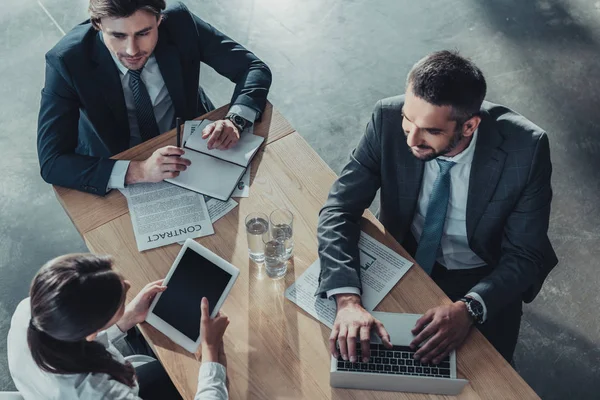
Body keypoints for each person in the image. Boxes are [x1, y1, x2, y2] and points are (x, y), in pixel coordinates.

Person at [317, 50, 557, 366]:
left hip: (481, 274)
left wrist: (470, 307)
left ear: (469, 126)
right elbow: (339, 209)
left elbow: (525, 255)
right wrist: (347, 301)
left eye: (431, 130)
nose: (411, 139)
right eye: (409, 119)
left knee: (486, 379)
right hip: (404, 257)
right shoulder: (386, 119)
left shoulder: (526, 149)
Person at [37, 0, 272, 195]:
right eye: (118, 35)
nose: (132, 50)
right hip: (118, 156)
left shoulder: (180, 22)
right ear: (98, 24)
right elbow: (52, 162)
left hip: (194, 141)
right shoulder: (66, 60)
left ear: (160, 19)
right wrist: (139, 171)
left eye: (144, 33)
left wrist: (235, 120)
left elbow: (253, 68)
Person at [7, 254, 230, 399]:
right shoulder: (100, 394)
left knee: (159, 373)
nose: (128, 284)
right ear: (92, 330)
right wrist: (211, 352)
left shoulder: (30, 311)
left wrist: (128, 316)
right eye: (119, 299)